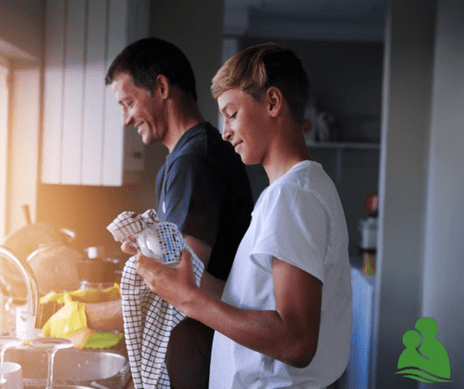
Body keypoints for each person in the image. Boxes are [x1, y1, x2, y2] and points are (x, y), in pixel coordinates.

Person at [135, 43, 353, 388]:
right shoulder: (291, 191)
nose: (225, 131)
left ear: (272, 102)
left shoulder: (292, 196)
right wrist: (176, 278)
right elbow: (247, 302)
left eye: (232, 114)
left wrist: (189, 301)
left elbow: (296, 342)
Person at [86, 37, 254, 389]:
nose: (125, 118)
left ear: (161, 87)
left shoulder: (193, 162)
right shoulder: (185, 159)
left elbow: (178, 287)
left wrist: (88, 316)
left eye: (128, 102)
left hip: (197, 364)